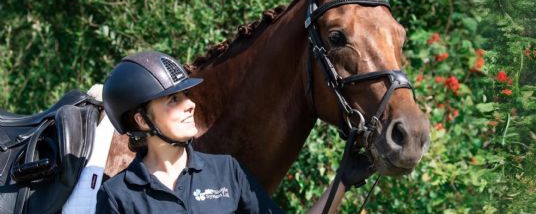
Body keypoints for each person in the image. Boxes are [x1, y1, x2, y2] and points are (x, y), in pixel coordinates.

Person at [96, 51, 373, 214]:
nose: (190, 104)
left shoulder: (227, 172)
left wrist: (343, 180)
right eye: (173, 100)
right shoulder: (118, 195)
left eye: (186, 95)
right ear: (142, 120)